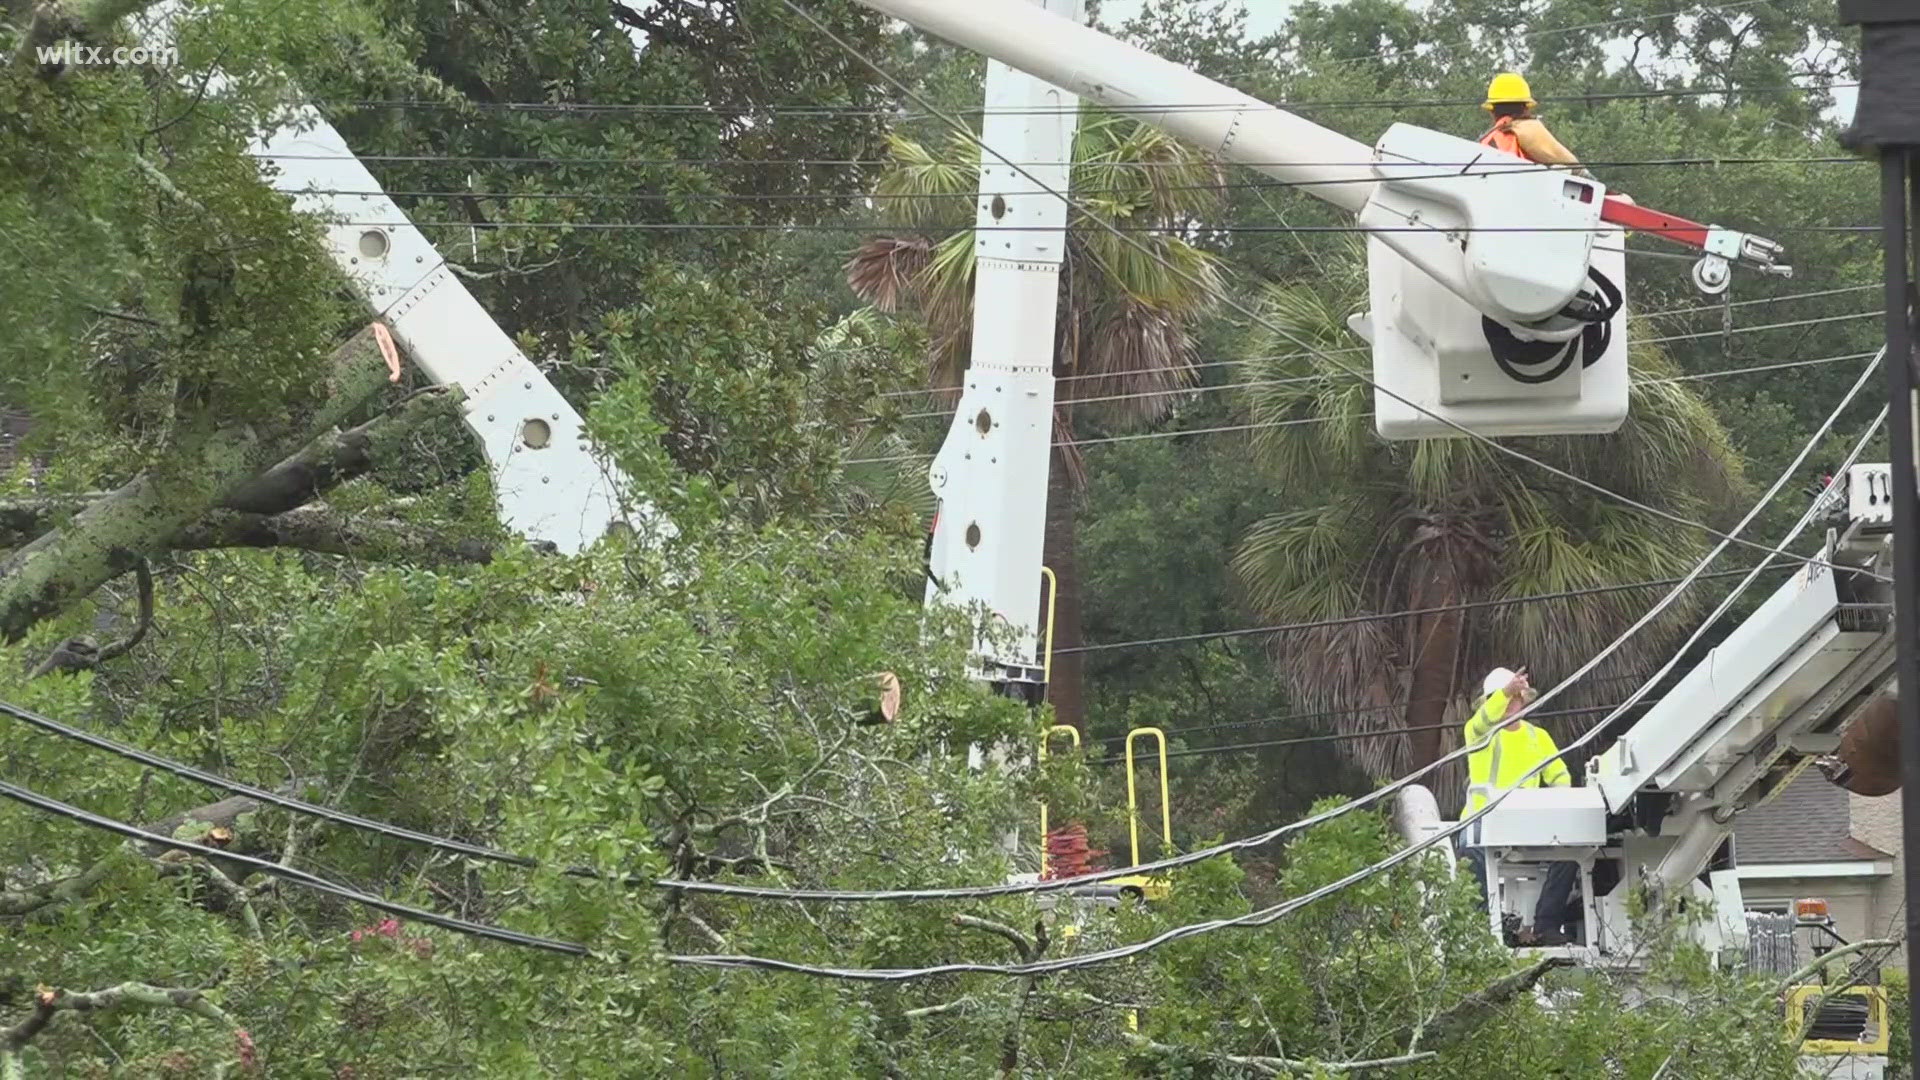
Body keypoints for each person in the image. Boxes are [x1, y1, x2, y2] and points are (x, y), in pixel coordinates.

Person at [1460, 665, 1582, 946]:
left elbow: (1559, 775)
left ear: (1524, 700)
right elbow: (1480, 723)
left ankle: (1546, 924)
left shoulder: (1537, 737)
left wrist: (1561, 801)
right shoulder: (1480, 734)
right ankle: (1486, 929)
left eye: (1515, 697)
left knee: (1573, 849)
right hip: (1484, 821)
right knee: (1470, 849)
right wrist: (1505, 691)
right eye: (1501, 698)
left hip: (1529, 823)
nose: (1509, 702)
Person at [1478, 72, 1587, 175]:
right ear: (1525, 107)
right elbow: (1574, 167)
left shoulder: (1486, 142)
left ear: (1492, 111)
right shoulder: (1533, 130)